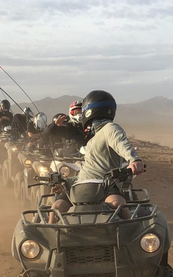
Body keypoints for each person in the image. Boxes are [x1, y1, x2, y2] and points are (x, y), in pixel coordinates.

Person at [50, 90, 145, 221]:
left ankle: (131, 235)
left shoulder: (110, 129)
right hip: (80, 187)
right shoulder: (92, 139)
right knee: (56, 207)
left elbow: (121, 143)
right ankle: (51, 239)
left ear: (87, 112)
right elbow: (87, 171)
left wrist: (134, 159)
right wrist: (66, 182)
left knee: (118, 204)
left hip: (105, 185)